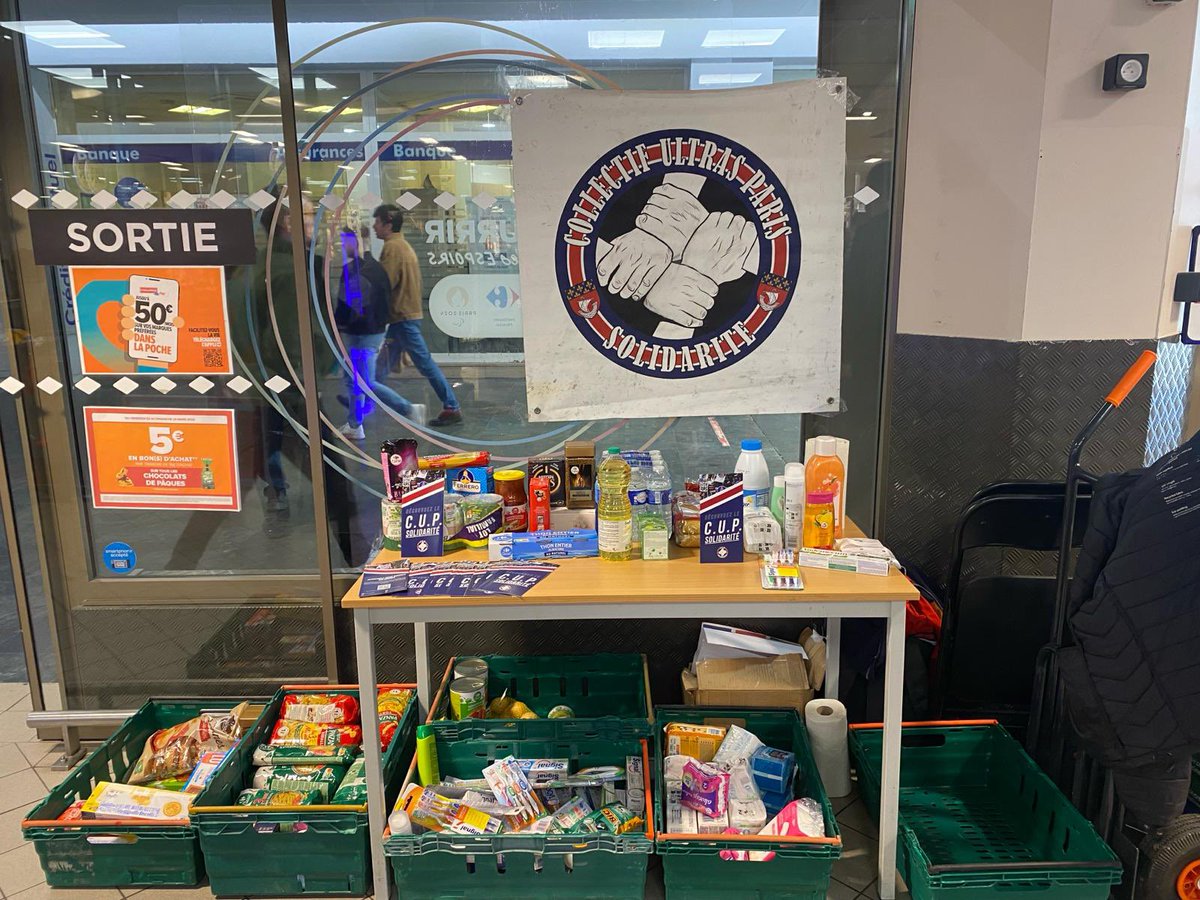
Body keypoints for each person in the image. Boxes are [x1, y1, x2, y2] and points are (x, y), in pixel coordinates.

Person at [372, 203, 463, 426]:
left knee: (424, 363)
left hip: (403, 317)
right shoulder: (403, 245)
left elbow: (386, 283)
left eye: (377, 222)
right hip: (403, 317)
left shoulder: (393, 248)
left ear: (388, 223)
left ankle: (451, 405)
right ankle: (365, 401)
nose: (374, 226)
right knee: (379, 370)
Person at [334, 228, 413, 440]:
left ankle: (405, 407)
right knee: (356, 379)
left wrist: (338, 325)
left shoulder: (352, 270)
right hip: (374, 331)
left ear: (357, 243)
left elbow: (347, 304)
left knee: (361, 381)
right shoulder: (378, 269)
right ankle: (355, 423)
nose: (343, 247)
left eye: (346, 242)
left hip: (360, 332)